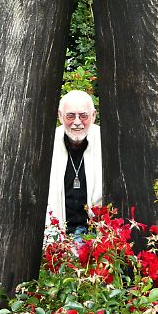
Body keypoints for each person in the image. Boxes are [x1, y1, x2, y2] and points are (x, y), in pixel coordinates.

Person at [46, 89, 102, 240]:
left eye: (83, 116)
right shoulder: (47, 143)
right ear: (60, 116)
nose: (77, 122)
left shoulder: (106, 141)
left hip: (97, 235)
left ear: (93, 116)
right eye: (70, 116)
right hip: (58, 234)